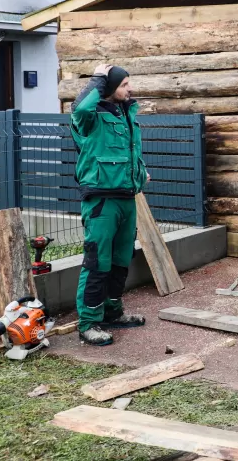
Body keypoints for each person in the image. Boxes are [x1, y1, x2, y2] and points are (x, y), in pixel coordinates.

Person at [71, 64, 149, 346]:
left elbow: (130, 153)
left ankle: (112, 312)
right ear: (108, 87)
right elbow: (79, 110)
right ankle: (89, 322)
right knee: (97, 262)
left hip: (127, 197)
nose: (130, 89)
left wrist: (139, 174)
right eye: (124, 84)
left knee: (120, 260)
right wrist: (98, 79)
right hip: (101, 200)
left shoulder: (126, 114)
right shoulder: (91, 117)